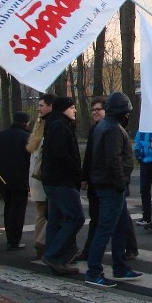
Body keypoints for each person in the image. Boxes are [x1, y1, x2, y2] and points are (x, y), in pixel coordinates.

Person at [85, 92, 143, 287]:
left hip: (106, 184)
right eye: (127, 112)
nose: (128, 115)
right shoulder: (113, 129)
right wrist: (120, 183)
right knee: (105, 229)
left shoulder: (104, 126)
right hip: (111, 186)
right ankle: (93, 271)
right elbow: (114, 159)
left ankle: (120, 266)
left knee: (118, 228)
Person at [40, 97, 84, 274]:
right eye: (72, 107)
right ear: (63, 109)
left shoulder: (54, 123)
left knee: (56, 219)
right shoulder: (59, 125)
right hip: (61, 180)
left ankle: (55, 260)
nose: (74, 111)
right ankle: (54, 255)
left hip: (53, 180)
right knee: (76, 218)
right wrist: (78, 173)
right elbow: (62, 154)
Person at [0, 111, 31, 250]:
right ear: (26, 122)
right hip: (20, 180)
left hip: (3, 179)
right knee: (18, 211)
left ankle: (9, 236)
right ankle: (14, 240)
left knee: (8, 208)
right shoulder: (27, 137)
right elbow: (29, 161)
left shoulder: (1, 135)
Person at [76, 96, 107, 261]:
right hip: (96, 181)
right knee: (100, 218)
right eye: (93, 110)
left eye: (98, 109)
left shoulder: (110, 128)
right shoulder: (94, 129)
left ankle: (91, 253)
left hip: (106, 182)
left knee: (104, 220)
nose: (95, 112)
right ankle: (128, 248)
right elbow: (89, 156)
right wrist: (85, 177)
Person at [27, 94, 54, 260]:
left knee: (41, 215)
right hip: (42, 178)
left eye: (41, 105)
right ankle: (41, 243)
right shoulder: (47, 126)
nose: (38, 108)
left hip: (35, 178)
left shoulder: (39, 126)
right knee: (50, 214)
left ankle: (40, 246)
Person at [133, 130, 152, 225]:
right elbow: (137, 143)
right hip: (144, 162)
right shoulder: (141, 129)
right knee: (144, 190)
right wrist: (139, 156)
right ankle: (146, 216)